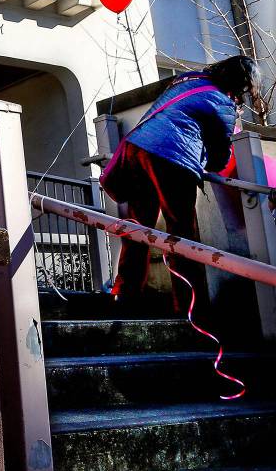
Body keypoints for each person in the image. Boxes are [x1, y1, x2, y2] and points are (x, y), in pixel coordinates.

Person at [101, 55, 261, 311]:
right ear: (242, 84)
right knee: (182, 231)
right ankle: (189, 306)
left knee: (138, 227)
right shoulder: (222, 102)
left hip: (136, 149)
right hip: (172, 157)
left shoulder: (186, 80)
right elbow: (219, 158)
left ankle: (126, 293)